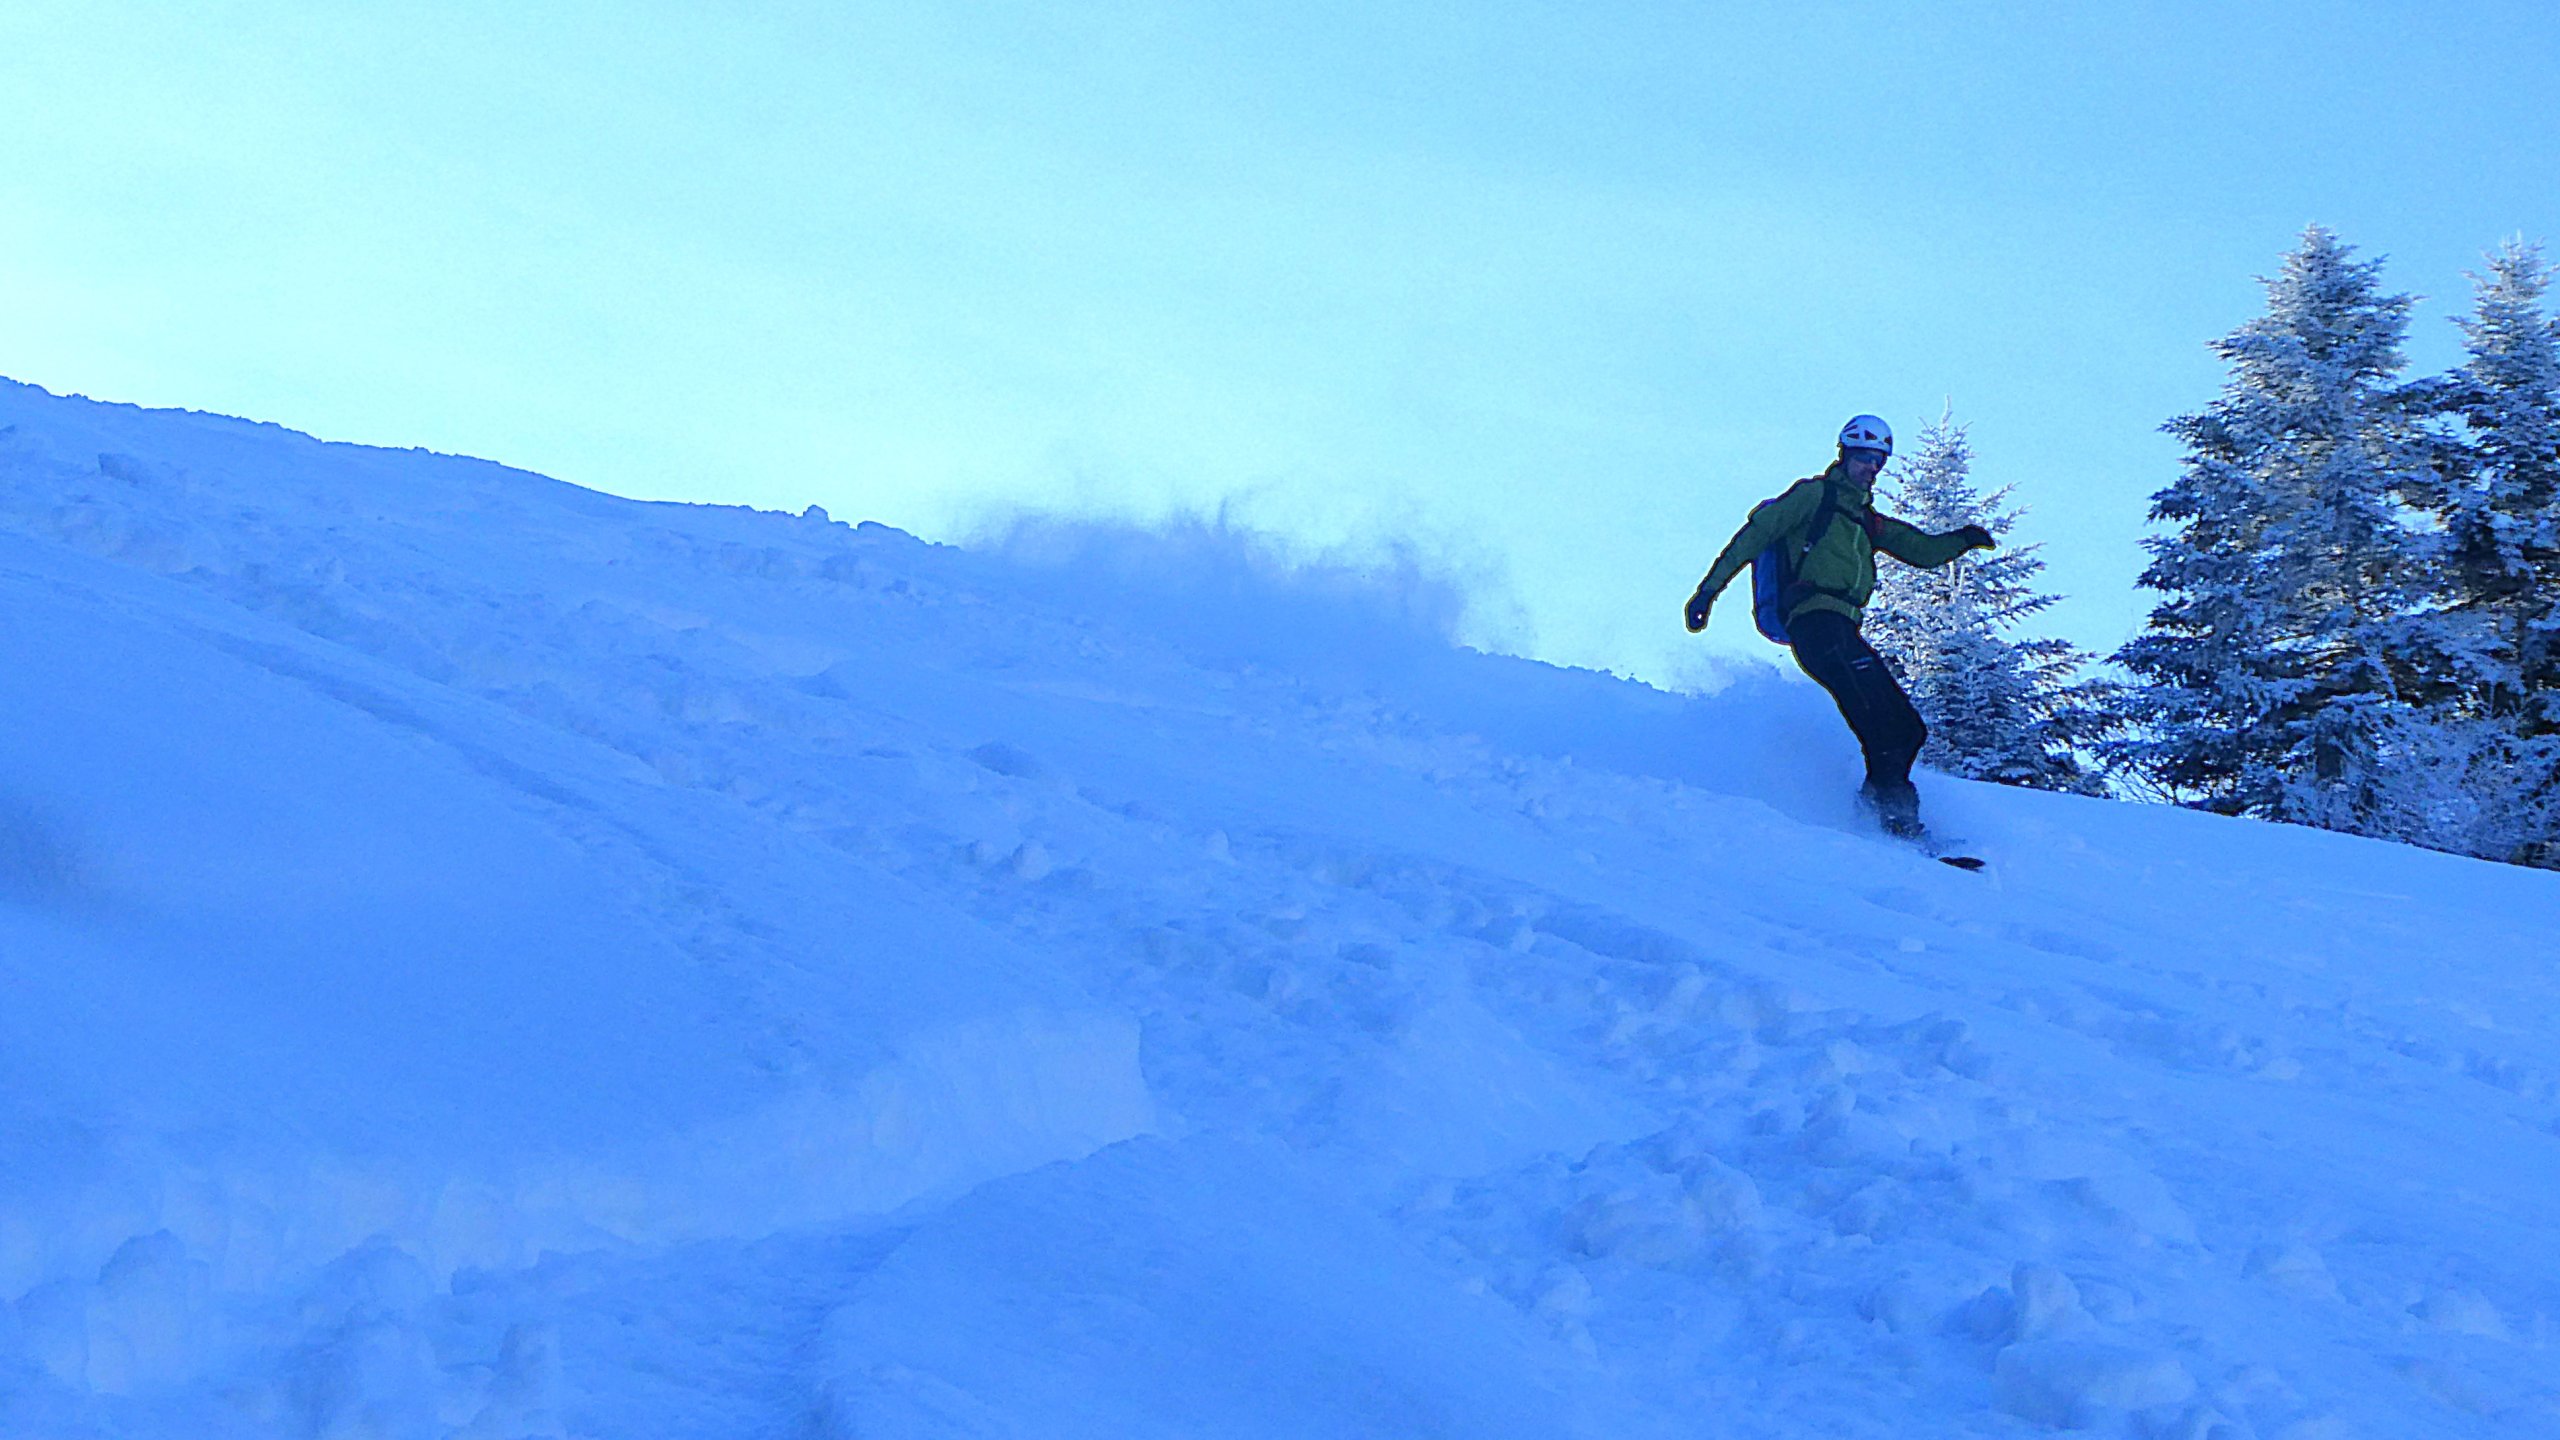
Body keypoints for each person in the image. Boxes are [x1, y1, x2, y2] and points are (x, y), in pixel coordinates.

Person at [1682, 415, 1995, 838]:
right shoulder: (1814, 496)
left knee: (1907, 730)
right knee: (1886, 728)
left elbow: (1920, 550)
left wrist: (1963, 539)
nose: (1872, 468)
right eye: (1864, 457)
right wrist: (1708, 592)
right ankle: (1895, 822)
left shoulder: (1866, 520)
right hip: (1816, 626)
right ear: (1844, 454)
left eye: (1879, 461)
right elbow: (1755, 536)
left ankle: (1875, 815)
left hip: (1842, 630)